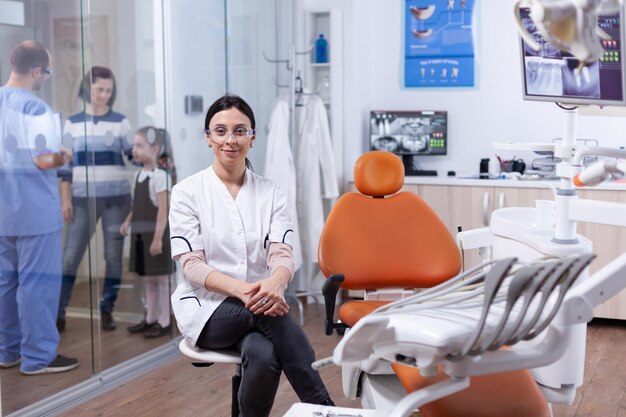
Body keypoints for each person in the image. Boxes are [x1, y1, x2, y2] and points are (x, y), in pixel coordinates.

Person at [169, 95, 334, 416]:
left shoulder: (270, 192)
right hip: (207, 309)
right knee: (269, 314)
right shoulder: (187, 192)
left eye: (240, 131)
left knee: (263, 353)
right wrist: (250, 292)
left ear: (252, 137)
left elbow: (282, 254)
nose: (230, 140)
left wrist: (276, 282)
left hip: (261, 303)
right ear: (208, 138)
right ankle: (323, 408)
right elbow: (192, 266)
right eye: (220, 131)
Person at [0, 40, 79, 374]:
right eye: (47, 72)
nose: (46, 78)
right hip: (35, 215)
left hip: (4, 214)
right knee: (37, 284)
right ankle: (38, 357)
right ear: (36, 71)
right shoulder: (36, 109)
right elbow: (44, 160)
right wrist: (66, 154)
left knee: (5, 284)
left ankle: (6, 351)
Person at [57, 66, 133, 332]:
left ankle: (107, 309)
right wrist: (65, 201)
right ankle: (60, 312)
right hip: (81, 200)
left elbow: (133, 156)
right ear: (88, 88)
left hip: (117, 199)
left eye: (109, 90)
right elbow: (65, 168)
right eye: (100, 89)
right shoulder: (72, 123)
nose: (104, 95)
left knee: (113, 258)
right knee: (70, 257)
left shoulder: (121, 122)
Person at [121, 127, 173, 338]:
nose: (135, 149)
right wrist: (127, 222)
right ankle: (151, 317)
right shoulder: (138, 175)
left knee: (162, 280)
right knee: (148, 280)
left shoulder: (161, 177)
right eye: (134, 145)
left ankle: (165, 320)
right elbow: (137, 205)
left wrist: (158, 239)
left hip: (156, 235)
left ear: (156, 149)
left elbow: (163, 209)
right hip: (141, 235)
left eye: (140, 145)